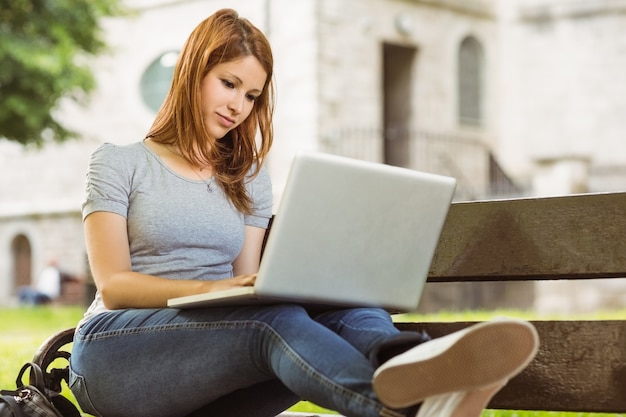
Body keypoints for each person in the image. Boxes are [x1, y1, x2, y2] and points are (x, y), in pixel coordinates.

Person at [69, 8, 539, 417]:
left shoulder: (248, 177)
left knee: (347, 303)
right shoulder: (119, 161)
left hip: (212, 354)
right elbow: (114, 286)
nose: (238, 106)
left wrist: (275, 285)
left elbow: (249, 284)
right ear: (193, 71)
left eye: (252, 95)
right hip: (116, 355)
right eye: (228, 84)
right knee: (273, 324)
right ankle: (402, 409)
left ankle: (399, 360)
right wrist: (212, 288)